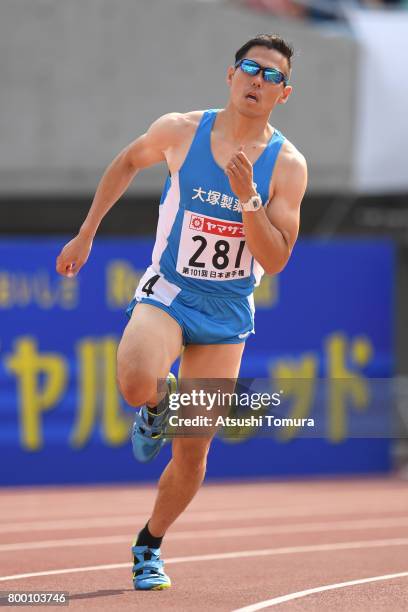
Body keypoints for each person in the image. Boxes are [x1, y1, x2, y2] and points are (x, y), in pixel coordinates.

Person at [56, 33, 307, 591]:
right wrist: (86, 233)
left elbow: (277, 259)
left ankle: (149, 544)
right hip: (170, 290)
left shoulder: (287, 166)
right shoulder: (180, 130)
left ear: (283, 93)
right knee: (134, 379)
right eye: (250, 68)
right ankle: (158, 403)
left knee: (191, 454)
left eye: (272, 76)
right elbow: (126, 162)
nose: (257, 80)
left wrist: (248, 200)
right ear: (230, 74)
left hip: (227, 313)